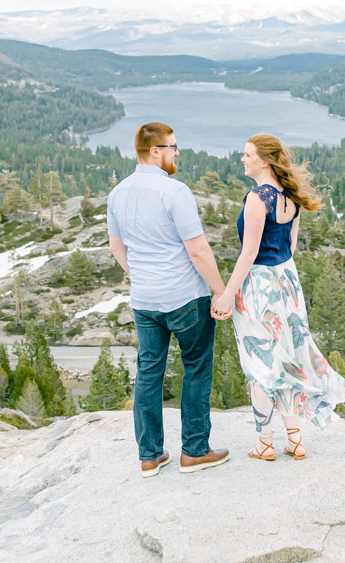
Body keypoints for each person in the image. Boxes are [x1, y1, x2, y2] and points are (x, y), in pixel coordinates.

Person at [211, 133, 345, 461]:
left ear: (265, 160)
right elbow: (291, 245)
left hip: (260, 287)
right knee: (285, 357)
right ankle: (295, 439)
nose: (243, 159)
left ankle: (264, 442)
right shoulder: (291, 196)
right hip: (287, 282)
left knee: (261, 365)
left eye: (248, 155)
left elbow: (249, 254)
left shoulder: (258, 198)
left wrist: (228, 296)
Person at [107, 121, 230, 478]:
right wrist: (220, 291)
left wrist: (142, 276)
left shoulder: (118, 193)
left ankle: (149, 455)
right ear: (155, 151)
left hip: (144, 300)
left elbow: (117, 247)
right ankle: (194, 450)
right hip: (184, 298)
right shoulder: (174, 191)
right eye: (173, 147)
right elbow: (198, 250)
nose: (177, 152)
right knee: (195, 366)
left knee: (149, 371)